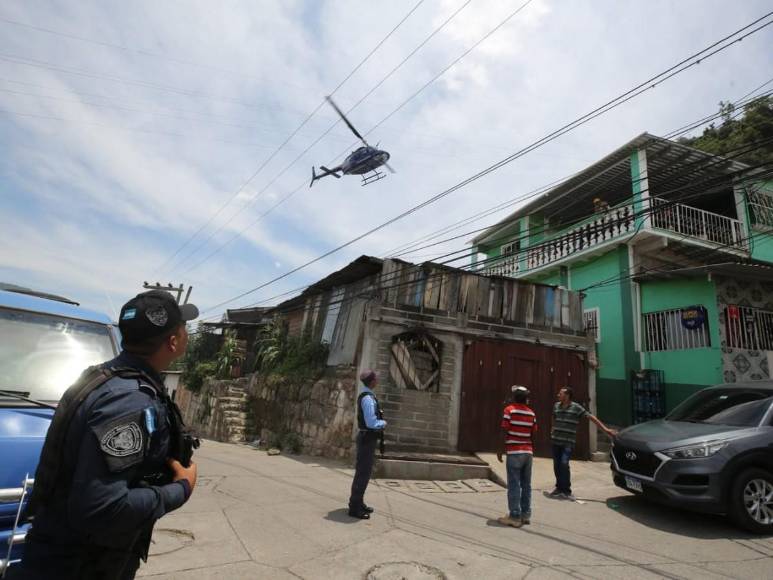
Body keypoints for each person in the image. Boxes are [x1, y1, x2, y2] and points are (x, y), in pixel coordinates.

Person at [16, 290, 200, 580]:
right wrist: (180, 489)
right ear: (174, 341)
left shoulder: (102, 378)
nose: (187, 334)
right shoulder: (128, 402)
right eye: (184, 328)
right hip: (81, 565)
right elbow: (102, 508)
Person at [549, 386, 616, 500]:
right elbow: (553, 416)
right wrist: (552, 428)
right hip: (556, 440)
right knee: (557, 465)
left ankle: (566, 490)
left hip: (568, 442)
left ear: (567, 396)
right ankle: (559, 487)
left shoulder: (576, 407)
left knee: (564, 464)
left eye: (560, 394)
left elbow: (591, 418)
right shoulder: (556, 406)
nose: (558, 395)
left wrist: (606, 429)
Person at [348, 369, 386, 519]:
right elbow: (371, 423)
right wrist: (383, 422)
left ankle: (358, 502)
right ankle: (354, 507)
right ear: (372, 382)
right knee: (363, 473)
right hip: (367, 438)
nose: (378, 380)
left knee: (363, 472)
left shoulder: (367, 395)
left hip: (366, 438)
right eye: (376, 378)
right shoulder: (368, 399)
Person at [497, 385, 537, 528]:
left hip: (514, 452)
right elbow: (533, 434)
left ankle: (514, 516)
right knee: (526, 484)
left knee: (514, 484)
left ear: (514, 397)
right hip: (528, 452)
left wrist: (500, 449)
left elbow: (504, 430)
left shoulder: (509, 410)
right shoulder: (531, 413)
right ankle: (525, 515)